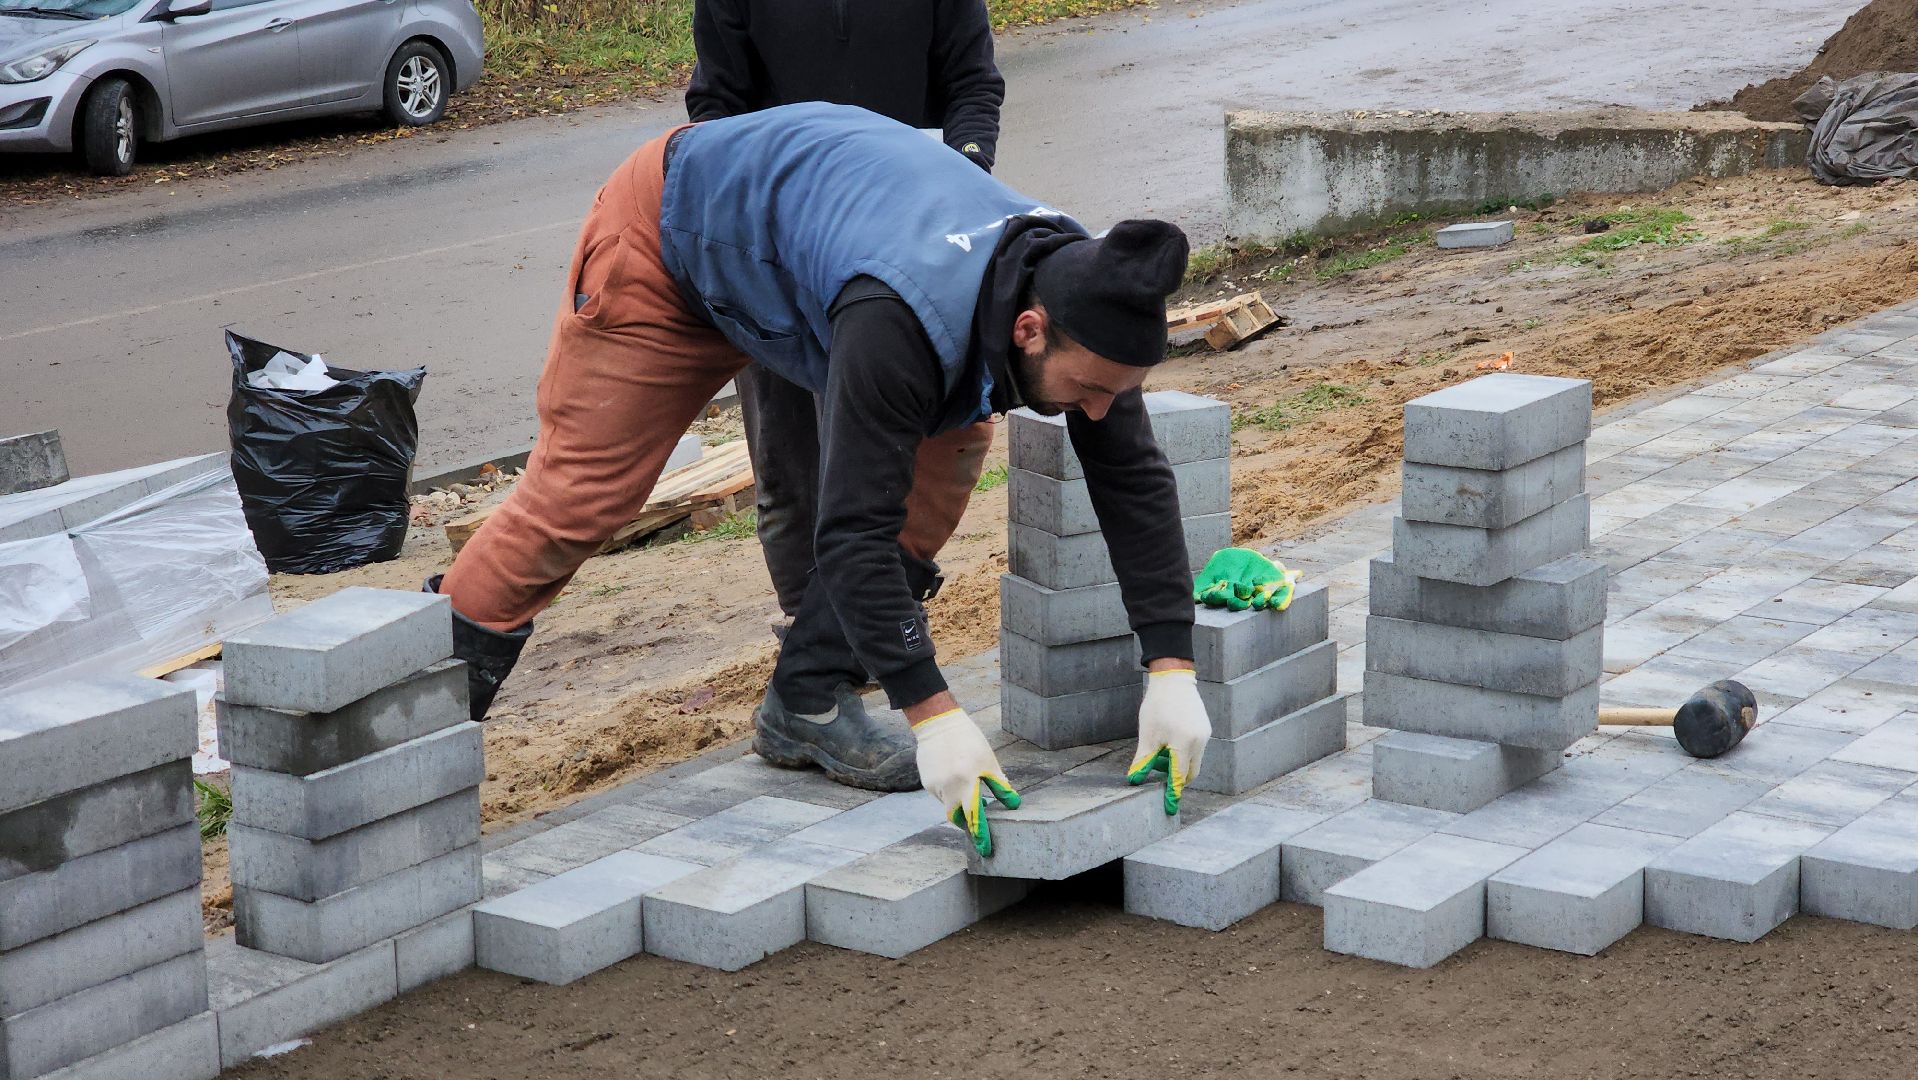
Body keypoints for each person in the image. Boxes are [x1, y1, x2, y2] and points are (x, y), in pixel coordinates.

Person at [432, 103, 1213, 855]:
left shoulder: (1087, 293)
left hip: (810, 252)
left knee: (947, 453)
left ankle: (807, 697)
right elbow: (852, 532)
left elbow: (1133, 480)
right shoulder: (900, 322)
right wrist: (932, 711)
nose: (1101, 410)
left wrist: (1172, 665)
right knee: (579, 498)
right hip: (668, 243)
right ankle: (413, 741)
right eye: (1092, 389)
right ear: (1028, 330)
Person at [683, 0, 1007, 646]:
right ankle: (812, 625)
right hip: (778, 240)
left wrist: (960, 175)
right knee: (788, 452)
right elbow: (716, 105)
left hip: (902, 234)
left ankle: (881, 602)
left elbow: (973, 84)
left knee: (891, 441)